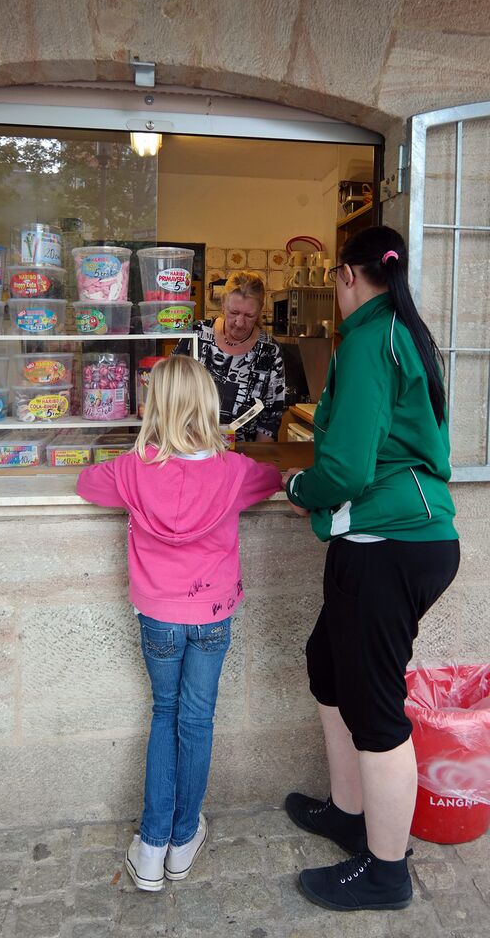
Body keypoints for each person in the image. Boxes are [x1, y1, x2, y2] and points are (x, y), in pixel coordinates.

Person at [282, 225, 460, 912]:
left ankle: (386, 871)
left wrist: (301, 488)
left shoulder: (366, 340)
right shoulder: (401, 331)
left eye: (334, 278)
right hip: (406, 539)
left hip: (388, 544)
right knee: (328, 664)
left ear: (348, 275)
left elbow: (348, 468)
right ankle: (348, 811)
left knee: (375, 708)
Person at [76, 355, 282, 891]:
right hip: (212, 614)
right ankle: (184, 838)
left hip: (158, 618)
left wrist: (139, 454)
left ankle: (151, 849)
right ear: (208, 405)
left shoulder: (131, 469)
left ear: (155, 407)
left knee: (164, 713)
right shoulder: (234, 471)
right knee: (197, 721)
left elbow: (85, 483)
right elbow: (274, 478)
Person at [174, 270, 285, 441]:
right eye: (233, 313)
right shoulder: (196, 335)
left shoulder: (270, 351)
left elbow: (270, 419)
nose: (240, 323)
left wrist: (256, 457)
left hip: (244, 452)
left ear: (259, 310)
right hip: (190, 447)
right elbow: (170, 390)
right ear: (223, 304)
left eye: (249, 316)